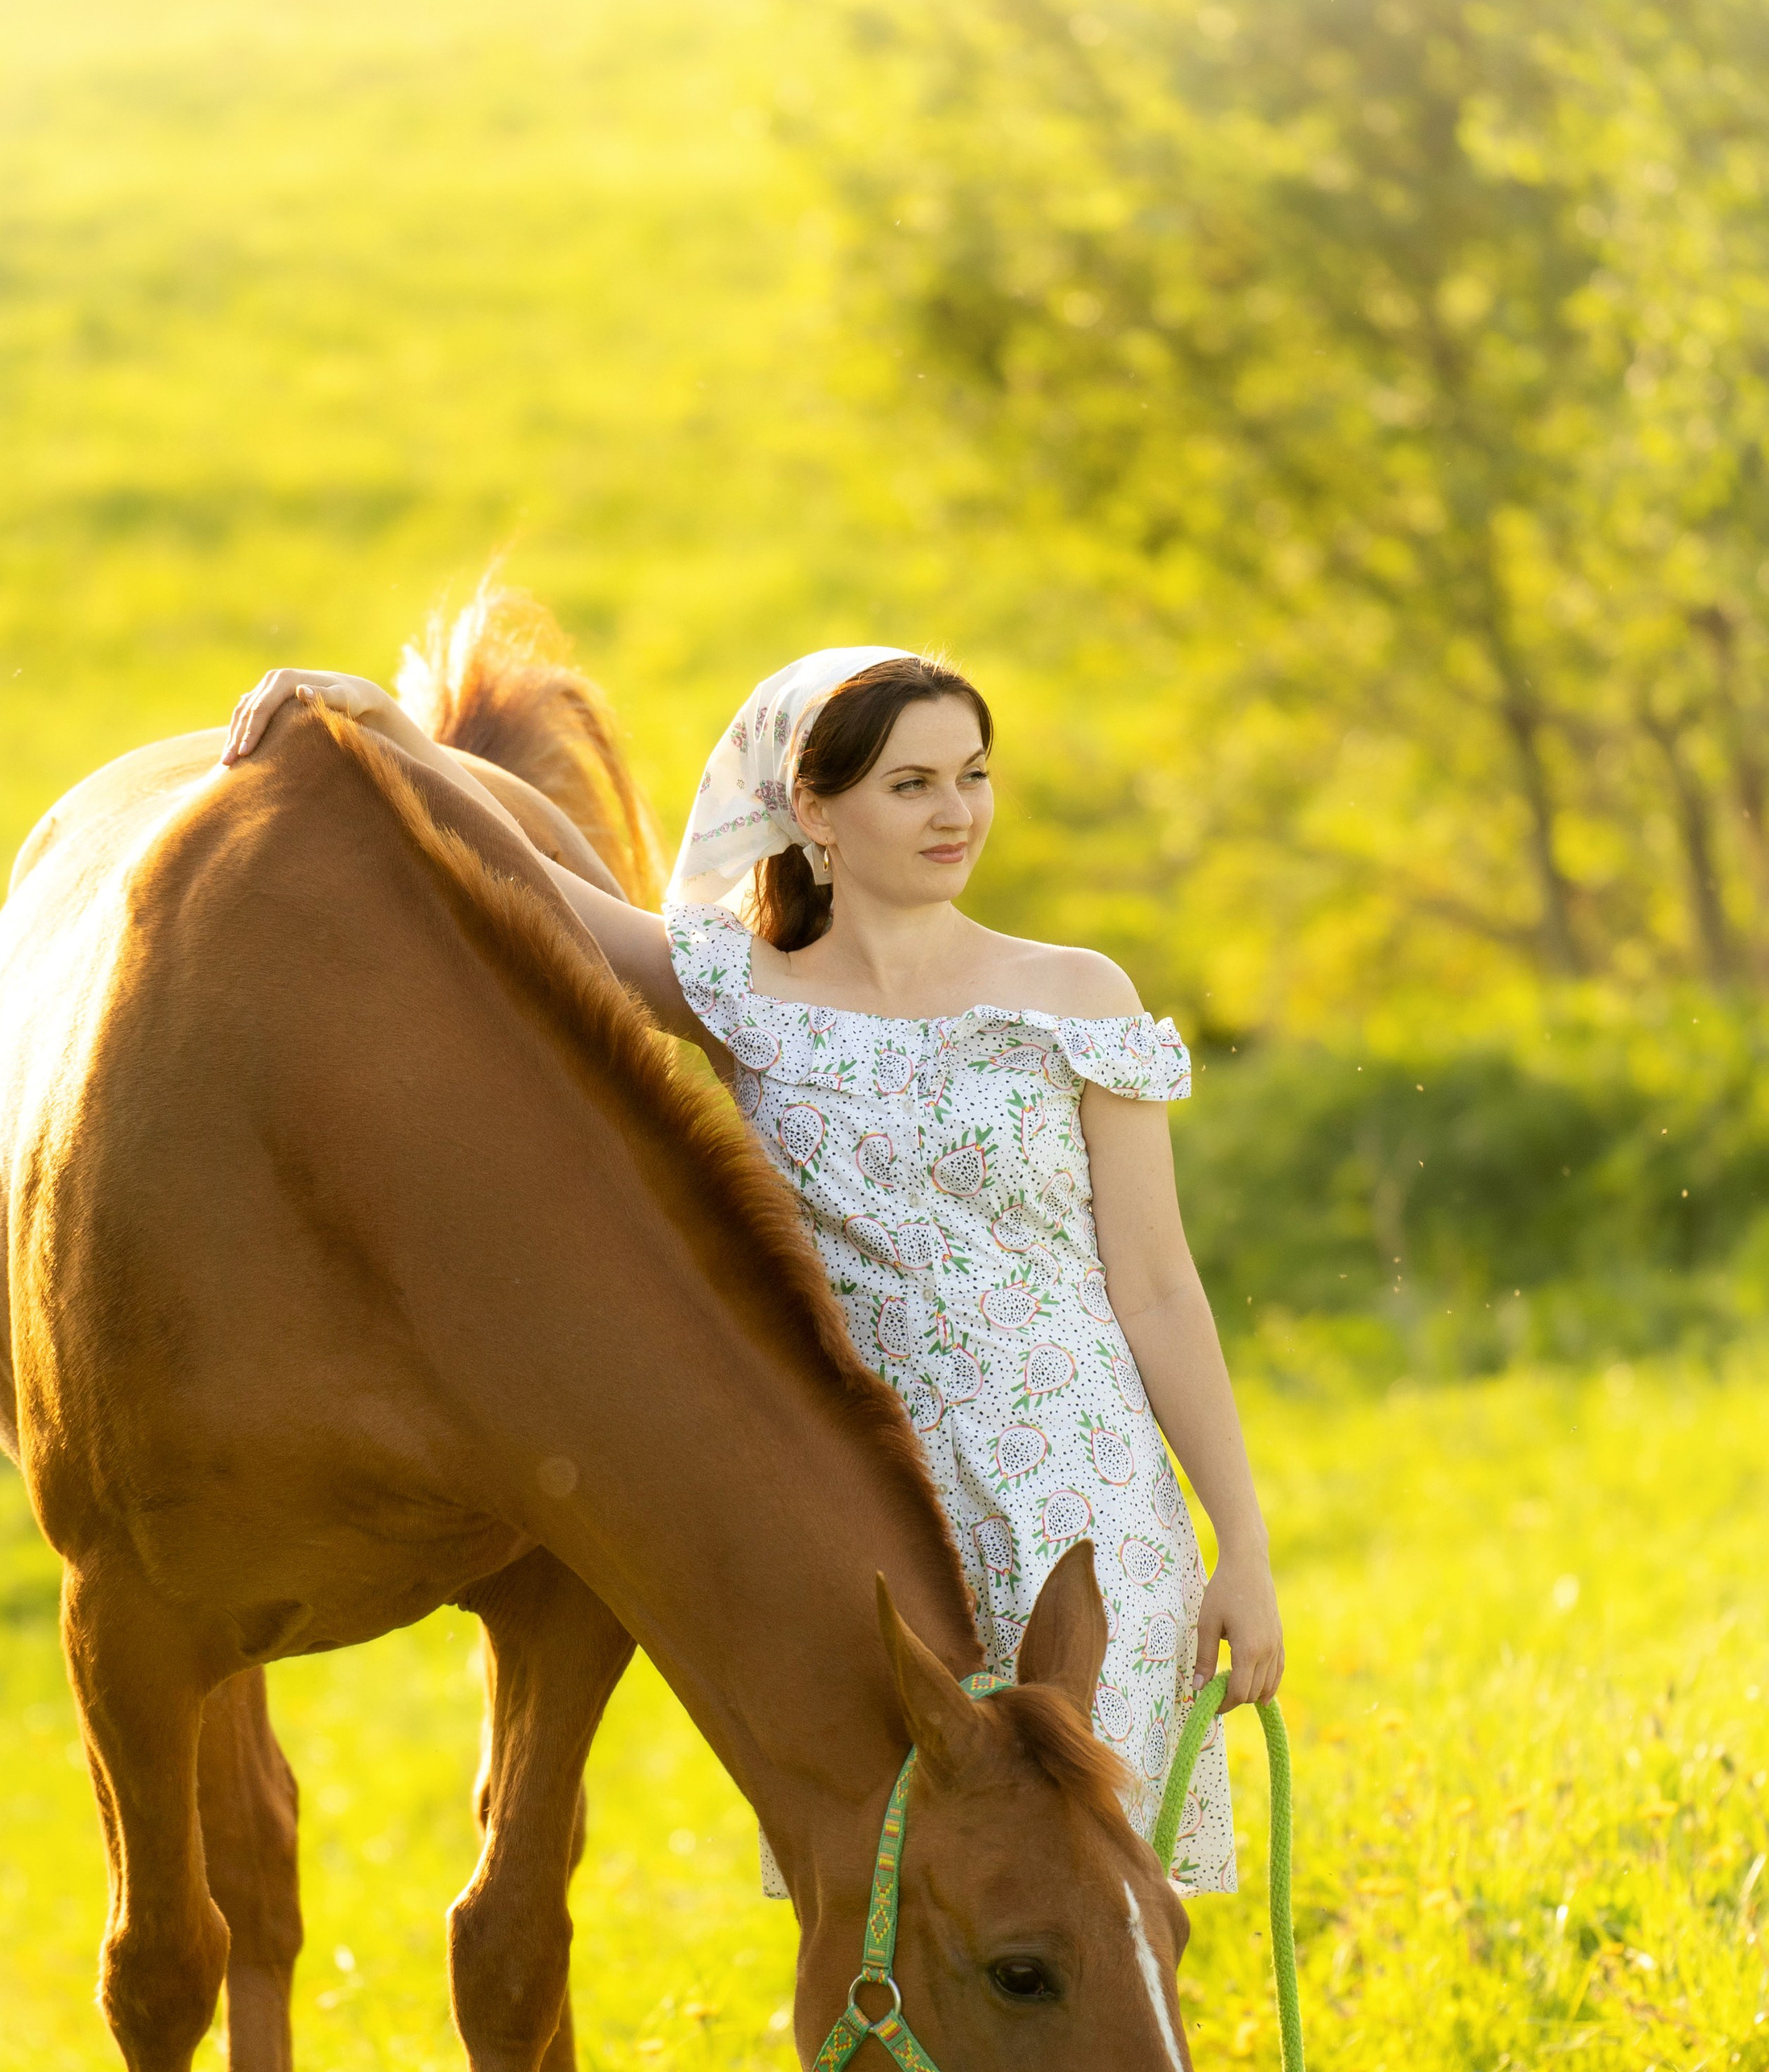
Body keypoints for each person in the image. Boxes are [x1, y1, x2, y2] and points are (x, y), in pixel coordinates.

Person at [222, 649, 1282, 1897]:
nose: (956, 812)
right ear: (814, 812)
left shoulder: (1075, 998)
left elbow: (1156, 1291)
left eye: (973, 775)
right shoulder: (743, 994)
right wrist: (393, 730)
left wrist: (1243, 1547)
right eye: (912, 785)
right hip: (870, 1525)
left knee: (1097, 1905)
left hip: (1084, 1513)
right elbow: (530, 882)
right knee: (894, 1893)